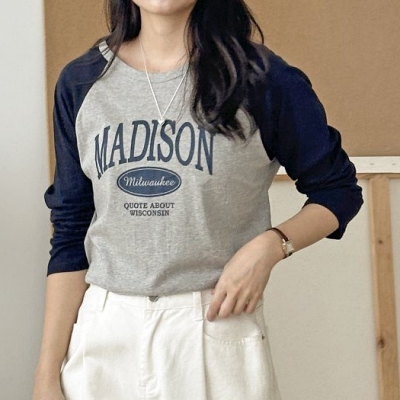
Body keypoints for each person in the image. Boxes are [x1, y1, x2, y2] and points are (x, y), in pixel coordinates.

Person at [33, 0, 363, 399]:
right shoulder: (82, 81)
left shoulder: (261, 79)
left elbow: (338, 190)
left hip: (214, 326)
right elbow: (71, 231)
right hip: (104, 332)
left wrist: (271, 245)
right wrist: (46, 375)